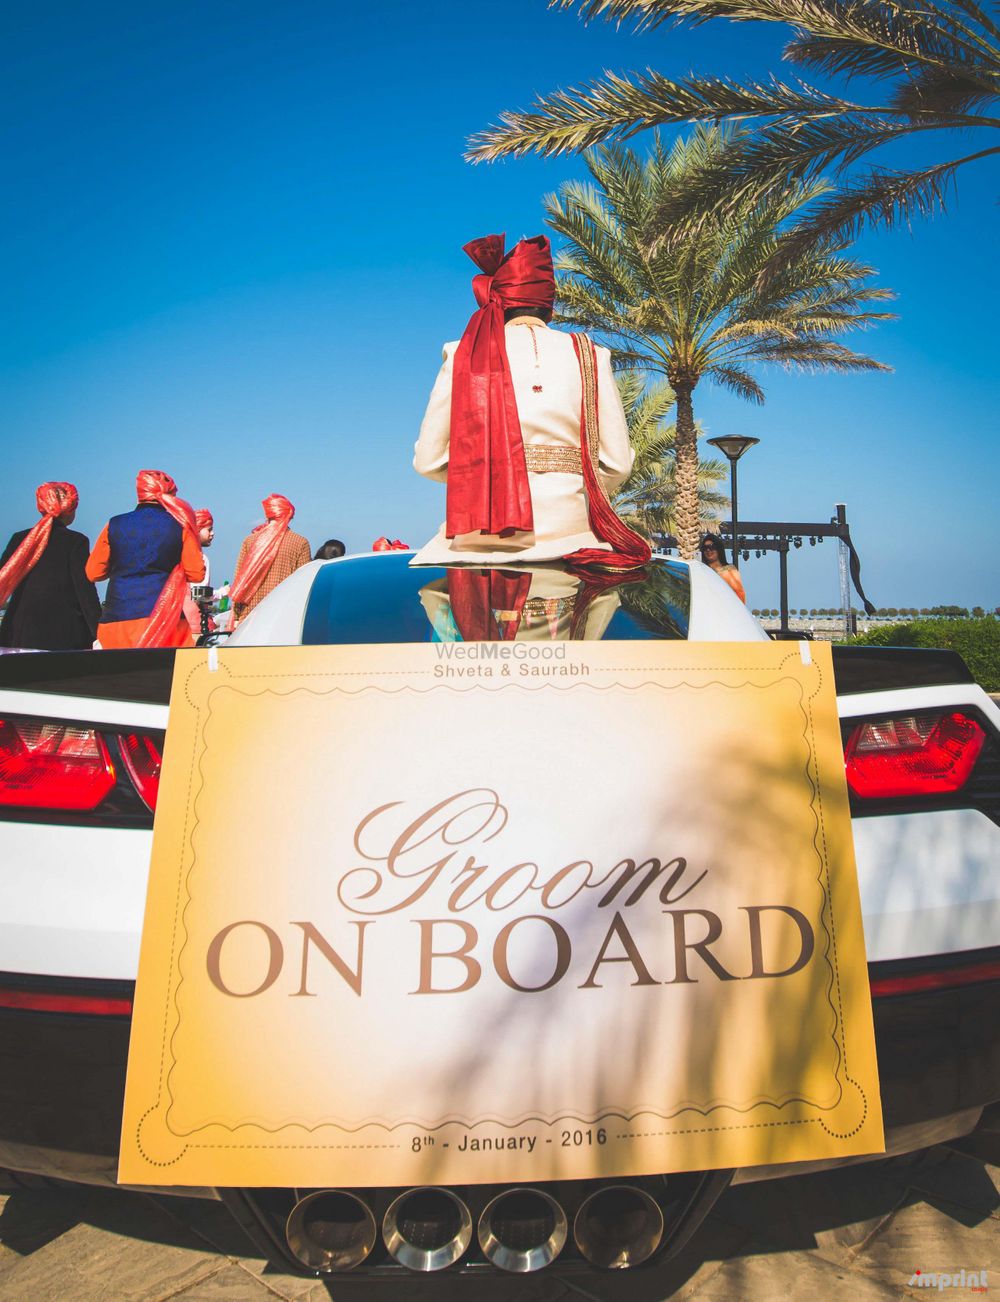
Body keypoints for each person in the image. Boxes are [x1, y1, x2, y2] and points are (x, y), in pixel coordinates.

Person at [411, 233, 649, 569]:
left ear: (498, 297)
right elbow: (618, 464)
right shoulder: (591, 355)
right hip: (573, 542)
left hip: (474, 547)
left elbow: (428, 461)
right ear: (548, 302)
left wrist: (485, 477)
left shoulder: (460, 353)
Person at [86, 470, 205, 648]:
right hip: (166, 619)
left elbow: (93, 573)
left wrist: (123, 564)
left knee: (122, 674)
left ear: (139, 496)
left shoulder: (114, 524)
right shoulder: (180, 526)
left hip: (117, 617)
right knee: (167, 672)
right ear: (171, 497)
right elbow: (196, 573)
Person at [0, 482, 101, 650]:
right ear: (70, 509)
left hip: (18, 633)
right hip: (64, 634)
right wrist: (98, 631)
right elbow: (85, 591)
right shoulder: (75, 541)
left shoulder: (19, 539)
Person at [230, 494, 311, 624]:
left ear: (268, 515)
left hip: (248, 614)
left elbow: (239, 580)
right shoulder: (300, 543)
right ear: (289, 516)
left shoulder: (249, 541)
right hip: (281, 614)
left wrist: (235, 616)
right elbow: (304, 583)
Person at [183, 509, 216, 640]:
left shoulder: (178, 555)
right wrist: (223, 593)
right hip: (197, 623)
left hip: (179, 623)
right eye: (209, 529)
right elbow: (199, 594)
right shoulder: (201, 558)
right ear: (197, 530)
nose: (212, 533)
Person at [699, 531, 746, 603]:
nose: (708, 550)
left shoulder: (730, 570)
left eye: (711, 547)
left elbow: (740, 594)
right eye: (705, 548)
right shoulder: (701, 571)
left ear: (719, 549)